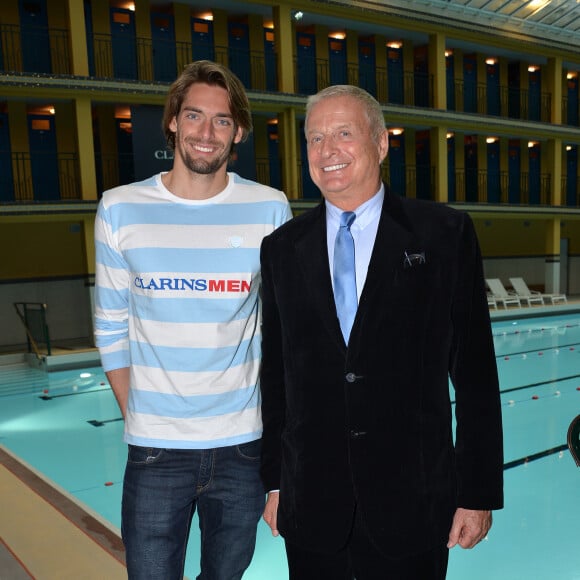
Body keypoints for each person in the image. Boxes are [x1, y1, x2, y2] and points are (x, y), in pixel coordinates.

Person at [259, 84, 503, 579]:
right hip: (313, 508)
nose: (327, 151)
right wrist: (275, 484)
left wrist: (476, 493)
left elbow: (475, 373)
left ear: (381, 142)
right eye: (314, 138)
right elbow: (277, 377)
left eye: (344, 133)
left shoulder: (444, 234)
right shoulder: (282, 249)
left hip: (413, 504)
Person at [94, 60, 291, 580]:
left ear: (239, 131)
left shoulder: (269, 209)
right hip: (156, 448)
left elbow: (286, 333)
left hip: (243, 447)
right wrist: (142, 417)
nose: (207, 133)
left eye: (222, 121)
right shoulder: (120, 209)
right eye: (195, 117)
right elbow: (111, 327)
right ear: (174, 123)